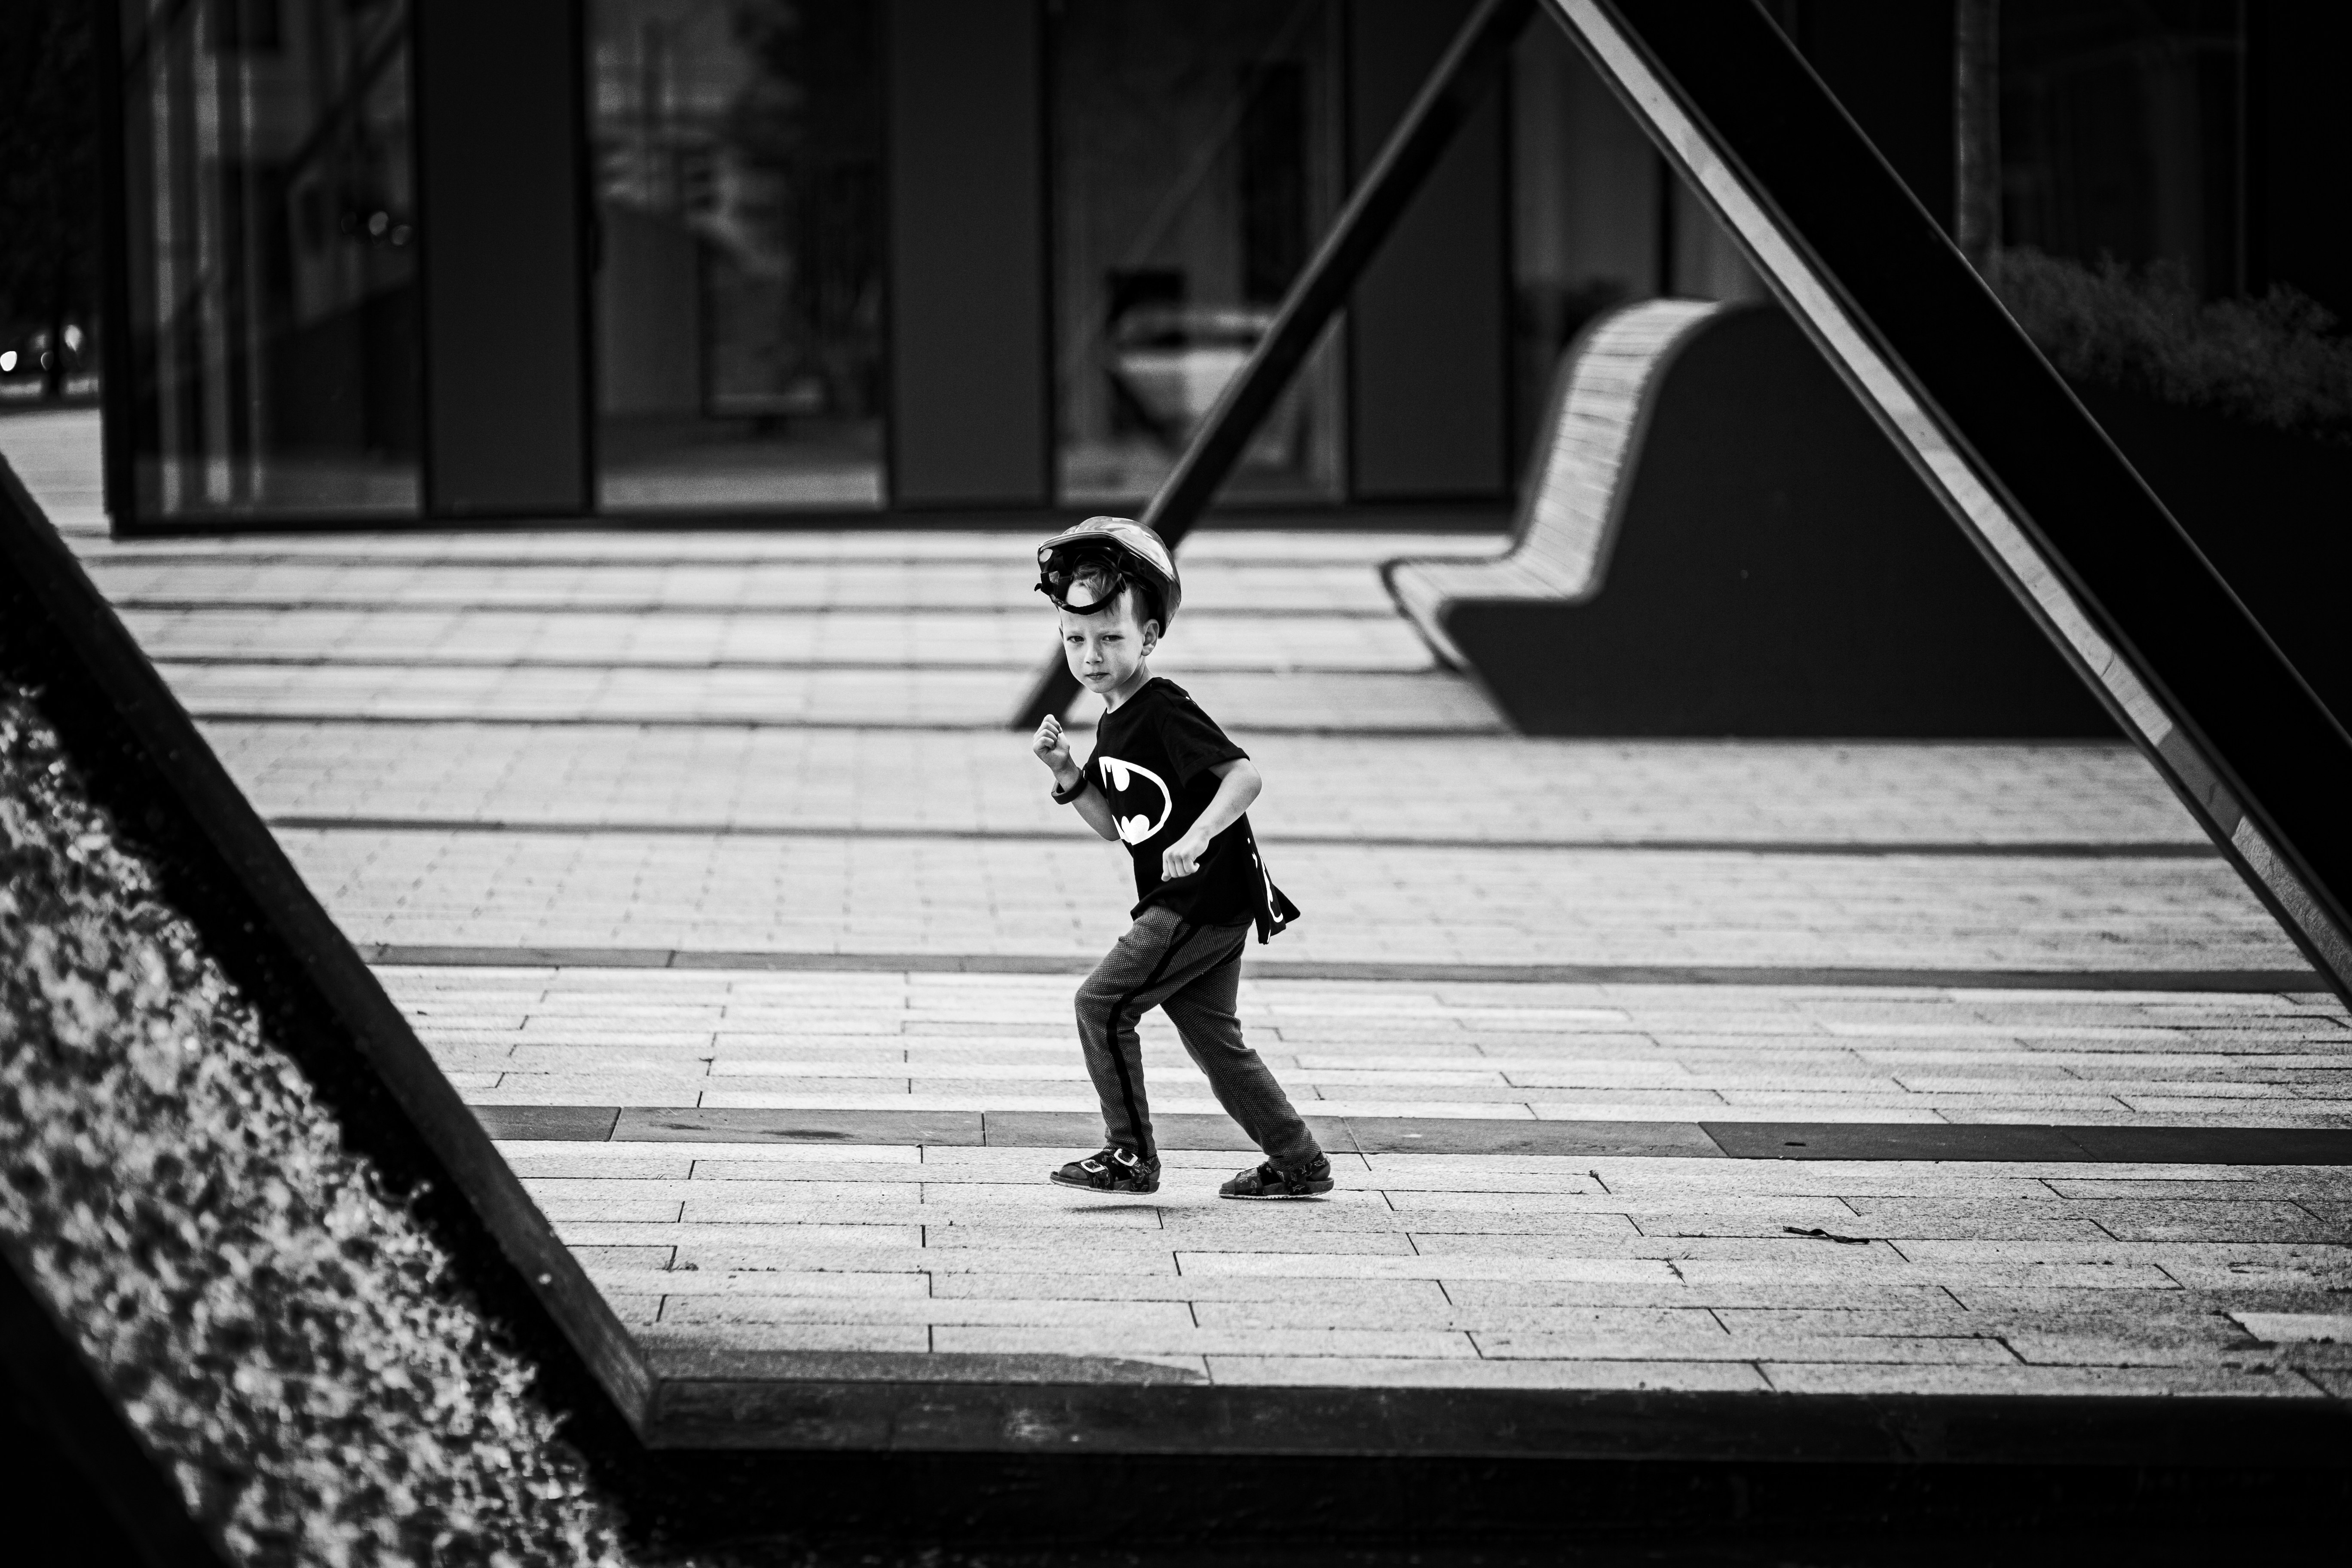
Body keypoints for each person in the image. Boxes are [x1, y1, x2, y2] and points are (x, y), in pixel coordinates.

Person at [1026, 517, 1332, 1200]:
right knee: (1217, 1044)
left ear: (1150, 638)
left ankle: (1130, 1156)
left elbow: (1243, 778)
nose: (1092, 655)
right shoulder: (1114, 719)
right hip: (1205, 907)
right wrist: (1067, 771)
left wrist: (1196, 838)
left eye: (1111, 638)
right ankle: (1299, 1161)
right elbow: (1115, 827)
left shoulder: (1162, 706)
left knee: (1100, 1005)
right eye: (1077, 640)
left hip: (1196, 902)